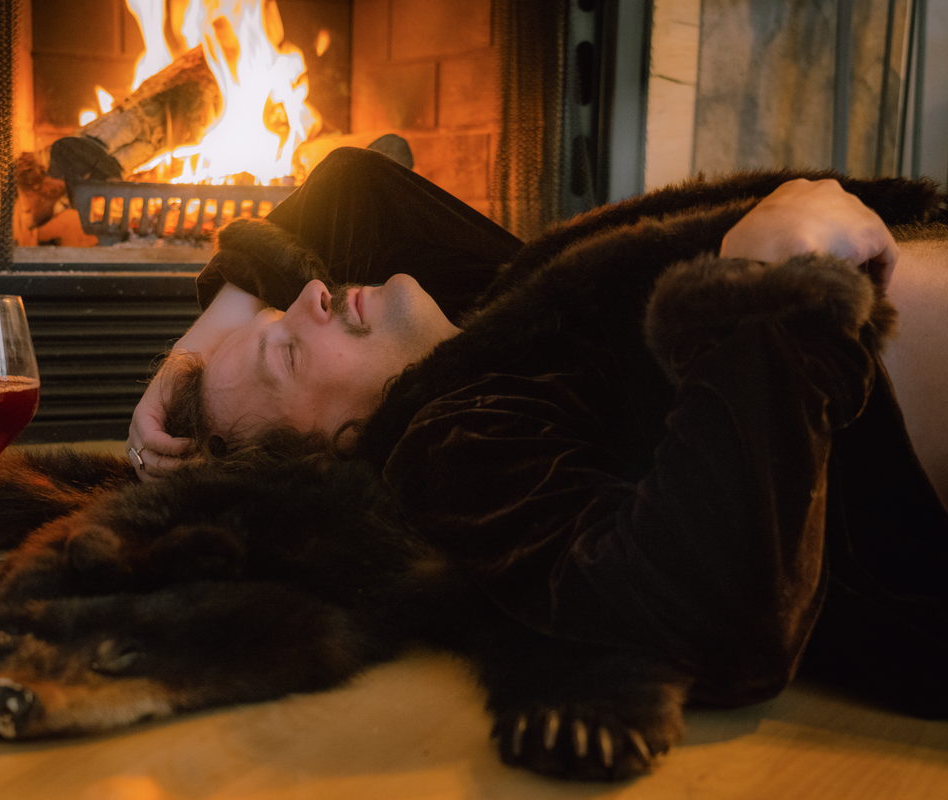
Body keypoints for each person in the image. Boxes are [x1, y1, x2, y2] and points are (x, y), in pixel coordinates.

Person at [126, 147, 948, 738]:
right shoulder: (457, 441)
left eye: (278, 309)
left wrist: (191, 354)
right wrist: (764, 298)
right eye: (290, 349)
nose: (310, 291)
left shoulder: (495, 318)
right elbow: (714, 627)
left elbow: (354, 185)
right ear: (337, 447)